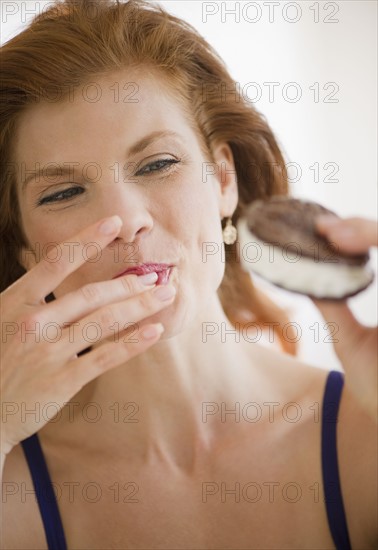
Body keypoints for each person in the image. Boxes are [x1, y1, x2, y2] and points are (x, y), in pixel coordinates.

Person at [0, 1, 376, 548]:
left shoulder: (361, 436)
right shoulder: (13, 485)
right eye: (63, 193)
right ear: (26, 251)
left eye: (157, 164)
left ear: (223, 179)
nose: (127, 221)